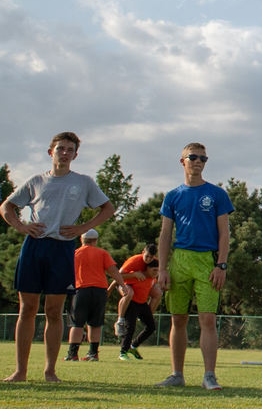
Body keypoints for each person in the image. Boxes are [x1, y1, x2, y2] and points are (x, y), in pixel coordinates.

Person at [2, 132, 115, 383]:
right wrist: (21, 227)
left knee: (54, 311)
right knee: (27, 309)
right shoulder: (36, 181)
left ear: (75, 155)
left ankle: (50, 371)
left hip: (62, 250)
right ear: (50, 152)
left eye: (70, 150)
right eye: (60, 148)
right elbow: (6, 206)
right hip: (34, 247)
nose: (65, 153)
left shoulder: (83, 182)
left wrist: (83, 228)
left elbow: (108, 208)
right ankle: (20, 371)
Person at [156, 143, 234, 390]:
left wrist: (221, 264)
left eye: (203, 158)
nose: (198, 161)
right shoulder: (173, 195)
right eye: (193, 157)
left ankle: (209, 375)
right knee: (178, 319)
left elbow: (224, 233)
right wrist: (162, 269)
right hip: (180, 260)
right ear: (183, 161)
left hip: (207, 262)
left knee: (207, 319)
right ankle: (176, 374)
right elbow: (165, 235)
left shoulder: (217, 194)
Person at [65, 229, 128, 362]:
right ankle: (93, 353)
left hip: (81, 290)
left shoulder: (75, 253)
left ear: (81, 240)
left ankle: (73, 354)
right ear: (95, 240)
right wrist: (123, 285)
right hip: (100, 291)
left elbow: (66, 273)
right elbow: (113, 270)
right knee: (95, 323)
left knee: (77, 323)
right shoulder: (102, 253)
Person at [116, 245, 160, 360]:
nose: (148, 259)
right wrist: (110, 290)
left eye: (151, 257)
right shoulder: (136, 268)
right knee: (130, 328)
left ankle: (133, 346)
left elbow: (153, 285)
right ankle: (122, 352)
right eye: (154, 270)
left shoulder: (152, 277)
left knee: (151, 327)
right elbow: (118, 277)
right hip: (132, 302)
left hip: (142, 304)